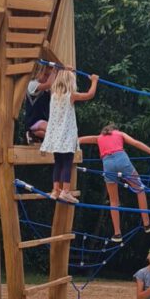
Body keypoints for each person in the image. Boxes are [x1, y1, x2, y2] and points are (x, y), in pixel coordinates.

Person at [78, 123, 150, 242]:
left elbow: (79, 140)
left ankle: (117, 233)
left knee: (113, 200)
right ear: (115, 130)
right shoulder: (120, 133)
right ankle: (146, 223)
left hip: (107, 163)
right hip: (122, 159)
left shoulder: (98, 137)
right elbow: (136, 143)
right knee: (139, 189)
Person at [40, 68, 98, 203]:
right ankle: (65, 191)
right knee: (67, 162)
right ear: (69, 82)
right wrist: (94, 81)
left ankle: (55, 190)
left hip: (55, 135)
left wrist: (66, 69)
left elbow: (58, 75)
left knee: (58, 162)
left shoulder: (54, 95)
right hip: (66, 135)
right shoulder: (70, 95)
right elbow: (90, 94)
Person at [22, 63, 55, 144]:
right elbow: (49, 84)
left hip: (41, 123)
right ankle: (31, 133)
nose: (47, 78)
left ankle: (33, 135)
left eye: (49, 76)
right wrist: (55, 69)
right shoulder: (32, 84)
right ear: (38, 72)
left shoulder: (47, 89)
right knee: (52, 130)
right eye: (46, 75)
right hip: (33, 121)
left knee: (52, 135)